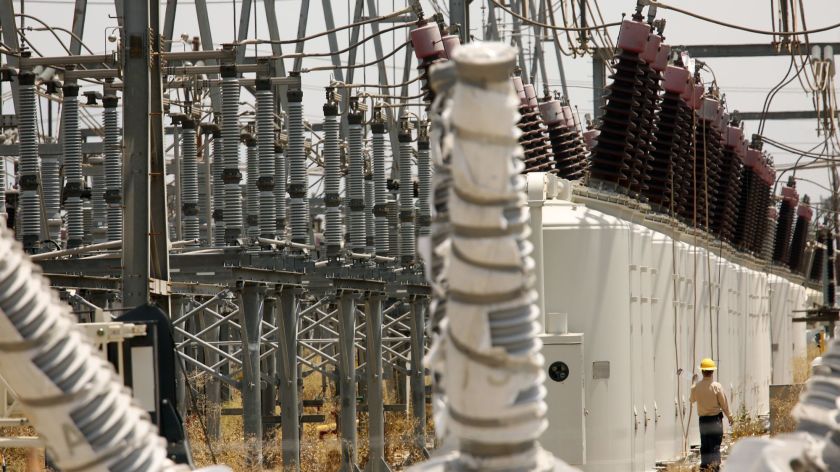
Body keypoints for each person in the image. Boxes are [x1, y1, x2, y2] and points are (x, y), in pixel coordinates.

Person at [690, 358, 733, 471]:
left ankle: (704, 467)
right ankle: (714, 468)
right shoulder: (716, 386)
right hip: (715, 420)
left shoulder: (696, 387)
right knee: (715, 445)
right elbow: (724, 404)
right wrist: (729, 416)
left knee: (705, 444)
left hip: (703, 420)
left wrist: (693, 383)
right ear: (712, 371)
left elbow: (692, 400)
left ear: (702, 371)